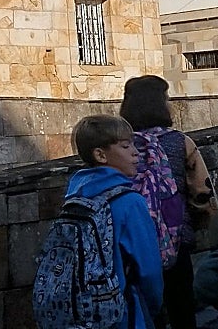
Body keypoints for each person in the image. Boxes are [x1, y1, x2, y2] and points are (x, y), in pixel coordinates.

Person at [120, 76, 217, 329]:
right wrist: (196, 224)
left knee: (143, 309)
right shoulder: (180, 142)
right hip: (176, 237)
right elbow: (201, 193)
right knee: (182, 307)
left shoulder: (121, 147)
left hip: (132, 240)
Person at [65, 114, 165, 329]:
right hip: (123, 312)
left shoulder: (74, 196)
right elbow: (149, 270)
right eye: (125, 146)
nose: (135, 152)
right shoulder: (130, 202)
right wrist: (154, 308)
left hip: (81, 311)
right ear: (101, 155)